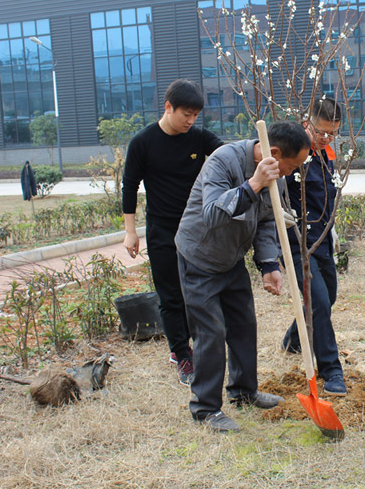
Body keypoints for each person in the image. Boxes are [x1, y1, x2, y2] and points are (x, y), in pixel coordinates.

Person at [175, 121, 311, 433]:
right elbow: (212, 215)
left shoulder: (276, 174)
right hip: (200, 257)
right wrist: (253, 184)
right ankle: (206, 409)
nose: (291, 173)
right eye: (292, 166)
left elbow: (267, 220)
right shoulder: (223, 161)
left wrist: (268, 265)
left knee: (243, 325)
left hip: (232, 257)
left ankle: (243, 391)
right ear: (274, 153)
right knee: (211, 333)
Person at [122, 79, 223, 386]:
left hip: (195, 227)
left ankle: (198, 344)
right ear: (168, 107)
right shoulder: (143, 142)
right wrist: (130, 232)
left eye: (195, 116)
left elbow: (226, 154)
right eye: (186, 115)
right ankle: (181, 353)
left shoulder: (198, 138)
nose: (190, 122)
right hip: (161, 229)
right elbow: (129, 186)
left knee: (197, 289)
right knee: (170, 294)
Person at [280, 97, 347, 397]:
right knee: (318, 302)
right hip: (296, 241)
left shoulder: (327, 152)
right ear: (308, 122)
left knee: (327, 296)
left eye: (333, 133)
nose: (326, 138)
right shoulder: (295, 147)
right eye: (321, 131)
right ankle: (331, 370)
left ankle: (295, 339)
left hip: (320, 239)